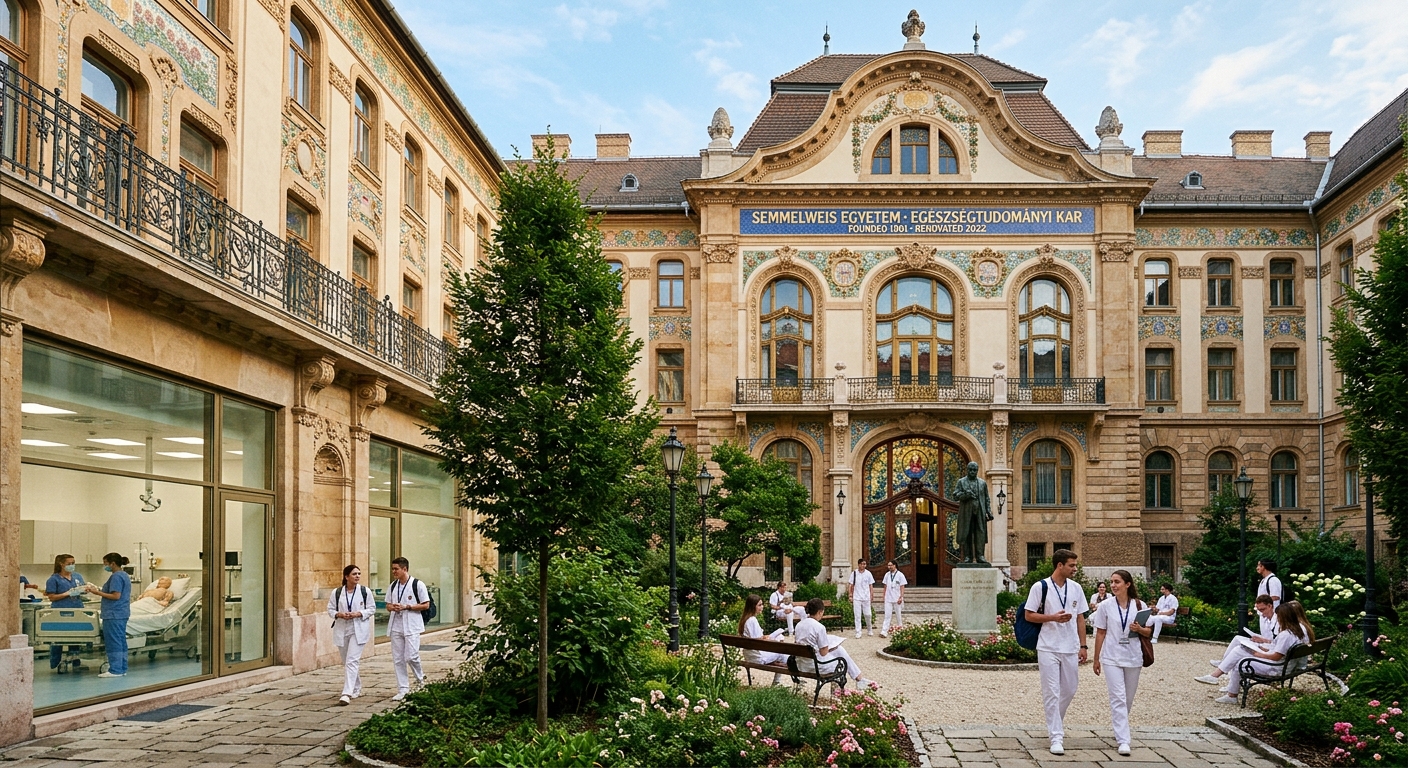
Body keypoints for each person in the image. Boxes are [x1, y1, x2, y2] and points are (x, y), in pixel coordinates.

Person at [1024, 548, 1089, 756]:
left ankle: (1054, 722)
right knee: (1051, 691)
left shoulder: (1076, 588)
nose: (1075, 569)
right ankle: (1056, 737)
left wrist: (1083, 645)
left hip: (1070, 646)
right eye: (1071, 565)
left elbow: (1080, 618)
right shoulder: (1040, 587)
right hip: (1048, 646)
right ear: (1059, 565)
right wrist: (1052, 617)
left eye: (1075, 565)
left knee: (1070, 689)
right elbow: (1029, 615)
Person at [1091, 570, 1151, 757]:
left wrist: (1139, 628)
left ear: (1128, 584)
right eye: (1111, 582)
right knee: (1117, 697)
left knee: (1128, 698)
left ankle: (1119, 727)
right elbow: (1100, 632)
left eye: (1117, 582)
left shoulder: (1139, 606)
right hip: (1111, 657)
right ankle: (1124, 739)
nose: (1113, 585)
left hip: (1133, 656)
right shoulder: (1106, 606)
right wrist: (1096, 658)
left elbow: (1149, 632)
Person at [1214, 602, 1313, 705]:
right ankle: (1219, 677)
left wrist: (1258, 654)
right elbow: (1280, 650)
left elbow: (1276, 657)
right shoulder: (1300, 630)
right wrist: (1264, 648)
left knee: (1240, 662)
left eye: (1278, 616)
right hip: (1289, 665)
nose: (1277, 619)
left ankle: (1231, 695)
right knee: (1241, 651)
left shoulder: (1286, 634)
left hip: (1277, 668)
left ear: (1284, 617)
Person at [1195, 594, 1278, 688]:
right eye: (1259, 611)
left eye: (1263, 610)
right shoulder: (1268, 619)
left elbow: (1276, 642)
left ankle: (1219, 673)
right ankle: (1224, 663)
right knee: (1238, 638)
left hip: (1269, 651)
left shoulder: (1278, 621)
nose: (1262, 614)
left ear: (1270, 606)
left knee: (1239, 650)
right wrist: (1258, 638)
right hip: (1267, 646)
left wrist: (1263, 641)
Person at [793, 598, 874, 694]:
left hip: (801, 663)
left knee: (839, 650)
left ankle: (859, 679)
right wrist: (829, 646)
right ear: (819, 612)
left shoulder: (799, 625)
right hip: (815, 666)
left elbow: (799, 644)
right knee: (841, 662)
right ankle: (836, 693)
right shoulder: (819, 627)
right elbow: (823, 653)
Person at [328, 564, 376, 705]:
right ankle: (356, 687)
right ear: (346, 576)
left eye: (359, 574)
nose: (357, 576)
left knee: (352, 660)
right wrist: (339, 614)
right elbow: (330, 609)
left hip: (358, 629)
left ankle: (346, 693)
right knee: (347, 661)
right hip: (342, 629)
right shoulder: (337, 592)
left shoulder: (364, 591)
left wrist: (359, 613)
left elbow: (371, 608)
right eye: (354, 574)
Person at [385, 557, 430, 701]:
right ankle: (403, 688)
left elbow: (425, 605)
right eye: (392, 569)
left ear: (404, 569)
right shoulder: (393, 586)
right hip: (396, 625)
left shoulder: (417, 584)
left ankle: (420, 679)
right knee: (398, 659)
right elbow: (387, 605)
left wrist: (407, 606)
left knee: (411, 655)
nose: (394, 572)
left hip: (412, 625)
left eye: (396, 569)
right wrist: (394, 607)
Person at [86, 553, 131, 678]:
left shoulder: (116, 577)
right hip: (121, 613)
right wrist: (99, 589)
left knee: (114, 642)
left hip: (113, 614)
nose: (104, 566)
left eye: (105, 563)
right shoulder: (124, 575)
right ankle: (122, 668)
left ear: (112, 563)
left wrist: (97, 592)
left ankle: (115, 670)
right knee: (120, 641)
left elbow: (116, 596)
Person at [43, 553, 87, 672]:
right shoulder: (54, 579)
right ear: (61, 564)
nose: (72, 566)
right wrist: (67, 594)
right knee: (58, 638)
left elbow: (83, 589)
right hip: (60, 611)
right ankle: (56, 663)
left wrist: (84, 590)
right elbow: (51, 597)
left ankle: (75, 661)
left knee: (76, 637)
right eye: (69, 564)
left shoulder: (77, 577)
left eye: (73, 563)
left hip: (77, 609)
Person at [737, 594, 788, 685]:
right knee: (782, 652)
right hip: (757, 657)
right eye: (759, 605)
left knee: (780, 651)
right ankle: (778, 682)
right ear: (753, 607)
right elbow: (759, 641)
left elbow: (756, 638)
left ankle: (777, 682)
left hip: (749, 655)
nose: (762, 607)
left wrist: (768, 637)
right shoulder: (752, 620)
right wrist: (772, 639)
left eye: (762, 604)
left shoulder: (745, 620)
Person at [848, 560, 875, 638]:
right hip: (857, 597)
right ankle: (858, 631)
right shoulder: (854, 573)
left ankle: (869, 629)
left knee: (868, 614)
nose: (864, 565)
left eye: (865, 564)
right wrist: (850, 595)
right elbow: (851, 585)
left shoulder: (868, 573)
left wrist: (871, 595)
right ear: (859, 564)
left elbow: (870, 585)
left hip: (866, 597)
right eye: (862, 564)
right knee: (857, 615)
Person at [880, 561, 907, 637]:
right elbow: (885, 586)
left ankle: (900, 629)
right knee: (887, 615)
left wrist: (901, 597)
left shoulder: (900, 575)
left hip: (897, 598)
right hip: (888, 598)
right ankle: (884, 631)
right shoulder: (887, 575)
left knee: (898, 615)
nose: (889, 567)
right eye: (888, 565)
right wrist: (884, 595)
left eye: (891, 565)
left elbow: (902, 586)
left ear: (895, 566)